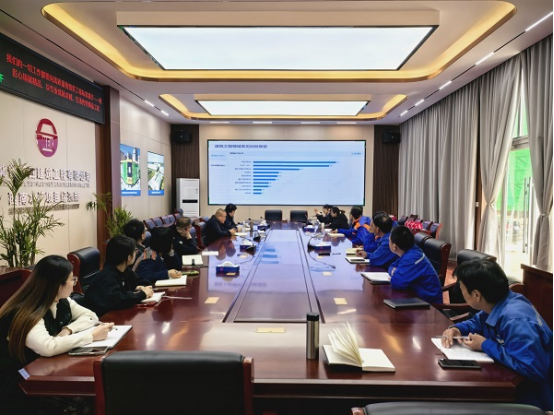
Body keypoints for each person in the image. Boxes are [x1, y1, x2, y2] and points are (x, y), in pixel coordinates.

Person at [0, 255, 113, 414]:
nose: (75, 283)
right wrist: (91, 336)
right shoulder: (27, 313)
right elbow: (48, 347)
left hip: (41, 374)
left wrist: (68, 330)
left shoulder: (61, 301)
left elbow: (91, 317)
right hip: (19, 388)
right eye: (72, 279)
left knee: (96, 395)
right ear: (58, 285)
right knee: (82, 403)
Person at [442, 260, 553, 411]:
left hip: (531, 399)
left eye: (461, 289)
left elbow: (533, 369)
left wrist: (485, 344)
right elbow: (478, 322)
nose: (460, 292)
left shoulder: (516, 320)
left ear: (476, 295)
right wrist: (458, 329)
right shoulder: (498, 303)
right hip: (511, 383)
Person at [81, 236, 154, 317]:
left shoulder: (124, 270)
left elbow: (144, 282)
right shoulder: (107, 276)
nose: (136, 253)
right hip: (100, 318)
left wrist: (138, 287)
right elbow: (117, 301)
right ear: (129, 257)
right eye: (135, 251)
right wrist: (141, 294)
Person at [388, 225, 443, 304]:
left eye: (389, 241)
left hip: (428, 305)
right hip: (415, 297)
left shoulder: (412, 258)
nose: (388, 243)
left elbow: (397, 282)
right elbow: (392, 266)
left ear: (394, 246)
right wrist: (395, 272)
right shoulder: (409, 251)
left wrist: (395, 273)